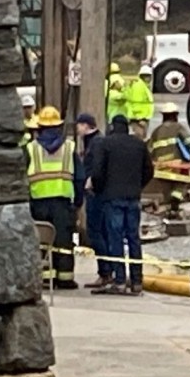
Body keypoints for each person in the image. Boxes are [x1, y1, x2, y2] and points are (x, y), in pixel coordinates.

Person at [89, 114, 153, 296]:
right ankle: (137, 281)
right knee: (133, 238)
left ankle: (119, 280)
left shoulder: (105, 144)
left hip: (112, 198)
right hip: (133, 198)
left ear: (112, 127)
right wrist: (137, 186)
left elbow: (97, 171)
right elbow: (149, 170)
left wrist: (100, 190)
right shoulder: (139, 145)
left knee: (115, 238)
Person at [25, 106, 79, 290]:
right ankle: (65, 279)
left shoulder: (31, 149)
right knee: (63, 242)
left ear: (39, 127)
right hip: (63, 203)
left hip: (38, 203)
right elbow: (79, 177)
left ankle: (45, 279)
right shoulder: (69, 147)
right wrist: (78, 202)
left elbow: (22, 178)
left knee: (41, 241)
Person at [74, 113, 113, 289]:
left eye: (79, 125)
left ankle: (105, 272)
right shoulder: (94, 141)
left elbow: (97, 167)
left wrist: (90, 182)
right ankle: (107, 271)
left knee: (96, 232)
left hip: (96, 194)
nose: (77, 129)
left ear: (87, 125)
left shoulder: (96, 143)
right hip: (99, 193)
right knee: (101, 232)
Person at [126, 66, 155, 138]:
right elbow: (136, 103)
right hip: (139, 119)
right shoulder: (138, 86)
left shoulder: (143, 85)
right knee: (139, 138)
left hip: (143, 117)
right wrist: (139, 119)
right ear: (143, 76)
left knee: (142, 137)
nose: (149, 78)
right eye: (147, 76)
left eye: (149, 76)